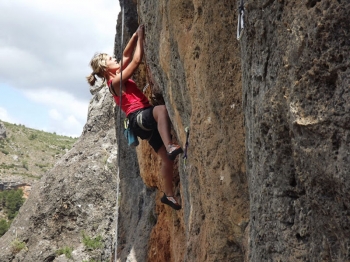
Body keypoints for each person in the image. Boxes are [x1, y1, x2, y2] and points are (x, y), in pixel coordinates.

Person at [86, 25, 183, 210]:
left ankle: (169, 195)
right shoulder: (114, 82)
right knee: (161, 110)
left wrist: (136, 34)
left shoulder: (115, 75)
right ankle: (170, 144)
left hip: (140, 123)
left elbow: (125, 55)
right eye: (110, 59)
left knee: (167, 159)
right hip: (138, 117)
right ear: (106, 68)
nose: (115, 58)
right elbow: (136, 60)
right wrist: (141, 38)